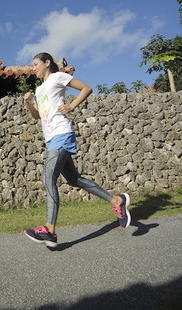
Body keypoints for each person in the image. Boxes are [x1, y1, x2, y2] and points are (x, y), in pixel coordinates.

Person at [22, 52, 131, 248]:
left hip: (61, 135)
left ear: (47, 63)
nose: (34, 68)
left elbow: (86, 88)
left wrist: (71, 106)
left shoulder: (58, 77)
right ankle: (116, 200)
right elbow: (38, 116)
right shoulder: (39, 89)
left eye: (36, 64)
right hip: (51, 139)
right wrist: (29, 102)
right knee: (74, 180)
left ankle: (49, 230)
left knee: (48, 179)